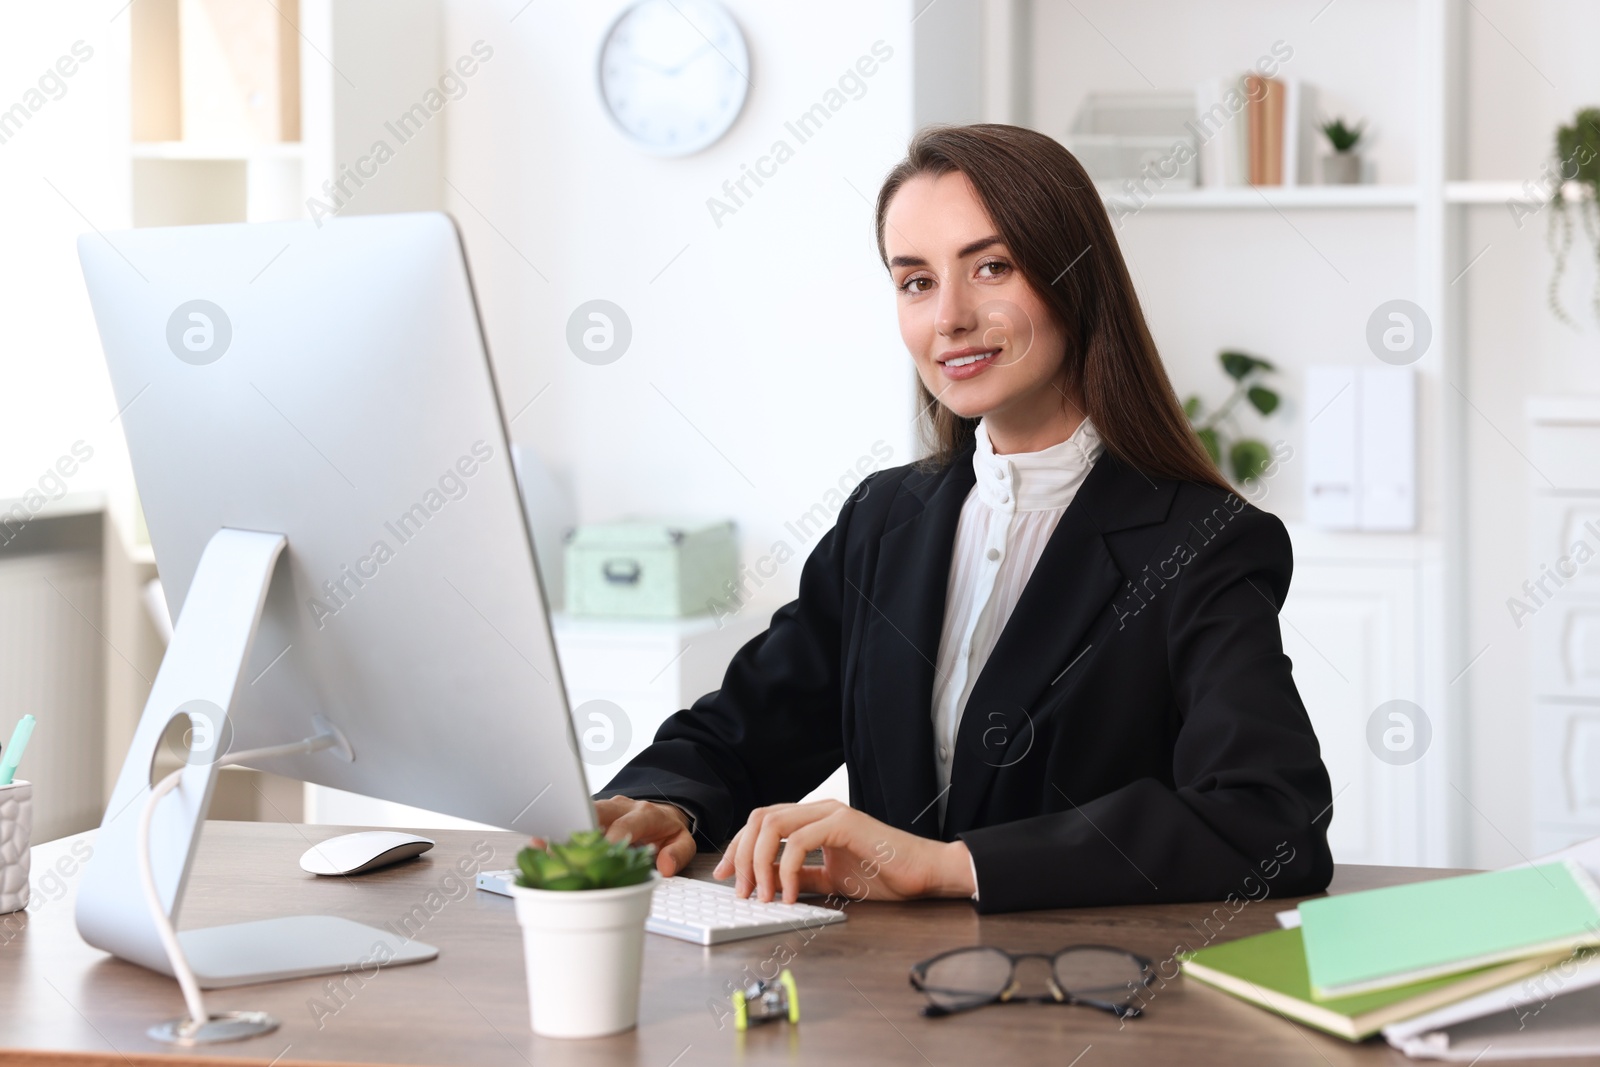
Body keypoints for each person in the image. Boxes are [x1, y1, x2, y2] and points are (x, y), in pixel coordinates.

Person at [592, 123, 1334, 914]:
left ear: (1074, 280)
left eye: (991, 267)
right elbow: (750, 725)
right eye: (915, 281)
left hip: (1088, 1003)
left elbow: (1272, 822)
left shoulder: (1201, 542)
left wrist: (952, 866)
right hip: (889, 1003)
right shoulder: (883, 519)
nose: (948, 317)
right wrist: (668, 804)